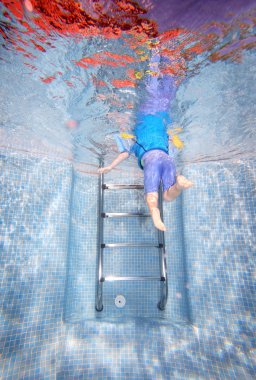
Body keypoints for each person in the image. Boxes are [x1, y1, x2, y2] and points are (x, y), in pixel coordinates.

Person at [98, 52, 193, 231]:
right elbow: (174, 140)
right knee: (161, 84)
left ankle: (173, 191)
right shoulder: (137, 139)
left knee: (162, 196)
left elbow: (125, 153)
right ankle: (157, 55)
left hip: (164, 152)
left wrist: (110, 167)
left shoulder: (140, 143)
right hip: (158, 134)